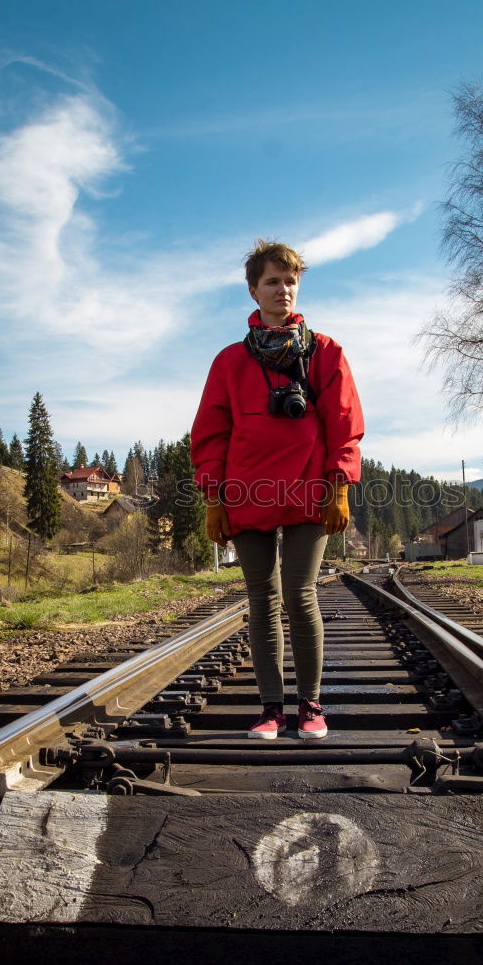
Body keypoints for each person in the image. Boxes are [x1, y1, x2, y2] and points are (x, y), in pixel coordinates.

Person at [191, 240, 364, 740]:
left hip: (310, 489)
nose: (282, 290)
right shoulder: (229, 362)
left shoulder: (326, 352)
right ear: (253, 290)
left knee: (300, 592)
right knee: (262, 598)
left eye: (290, 281)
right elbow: (210, 435)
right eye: (272, 281)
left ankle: (310, 706)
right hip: (246, 492)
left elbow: (345, 423)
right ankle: (271, 709)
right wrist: (213, 498)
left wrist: (340, 486)